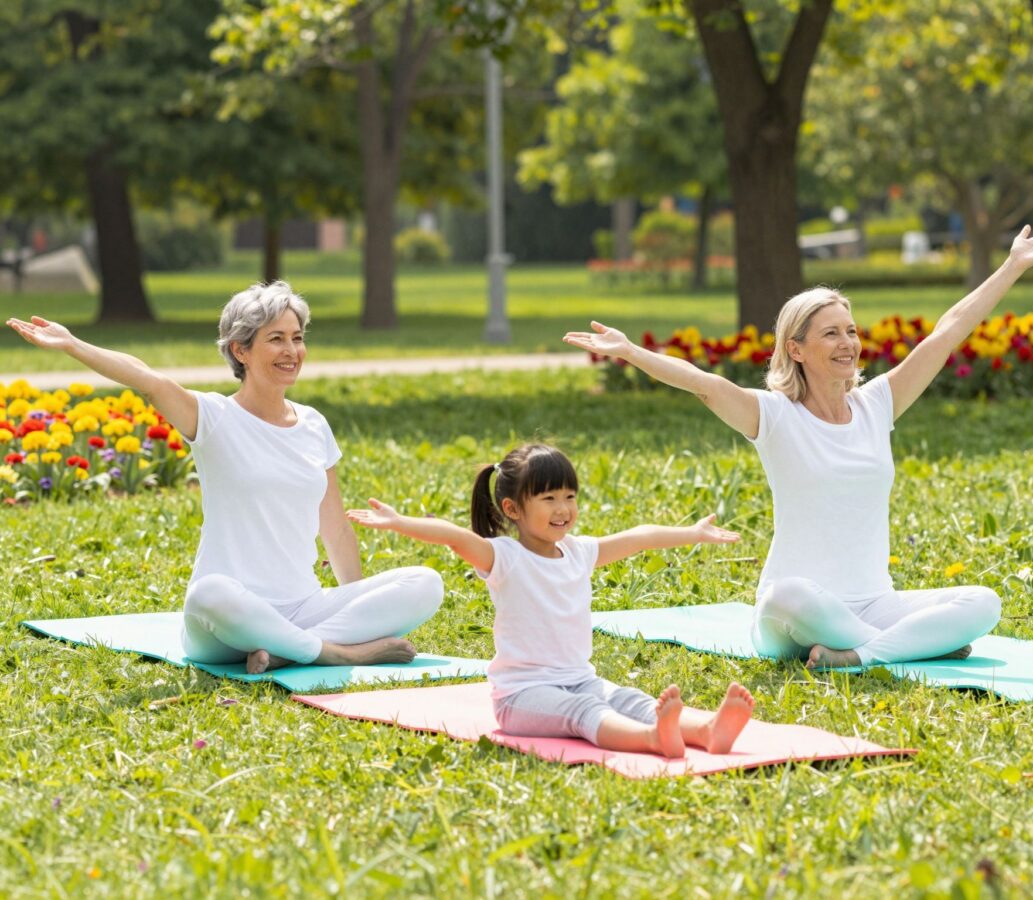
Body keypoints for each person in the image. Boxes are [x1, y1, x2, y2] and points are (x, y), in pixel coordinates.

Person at [564, 225, 1033, 668]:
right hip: (794, 613)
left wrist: (1011, 266)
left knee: (982, 602)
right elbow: (704, 384)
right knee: (790, 594)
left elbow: (946, 334)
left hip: (872, 604)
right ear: (796, 349)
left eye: (851, 331)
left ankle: (861, 654)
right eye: (831, 333)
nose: (848, 343)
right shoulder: (774, 415)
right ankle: (909, 648)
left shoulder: (878, 404)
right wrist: (630, 352)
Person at [7, 282, 442, 673]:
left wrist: (358, 605)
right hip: (225, 622)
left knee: (426, 582)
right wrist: (72, 345)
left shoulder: (314, 424)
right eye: (276, 339)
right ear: (240, 350)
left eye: (297, 338)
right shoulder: (213, 417)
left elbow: (336, 528)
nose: (292, 351)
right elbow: (147, 379)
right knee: (208, 593)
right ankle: (336, 653)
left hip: (303, 606)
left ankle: (292, 650)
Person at [347, 443, 755, 759]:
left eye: (569, 497)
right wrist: (400, 522)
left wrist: (692, 532)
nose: (563, 509)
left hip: (580, 678)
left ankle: (707, 730)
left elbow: (640, 536)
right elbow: (454, 535)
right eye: (548, 499)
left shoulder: (578, 552)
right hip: (522, 697)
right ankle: (652, 739)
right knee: (584, 715)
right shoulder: (504, 558)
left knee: (630, 699)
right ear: (513, 509)